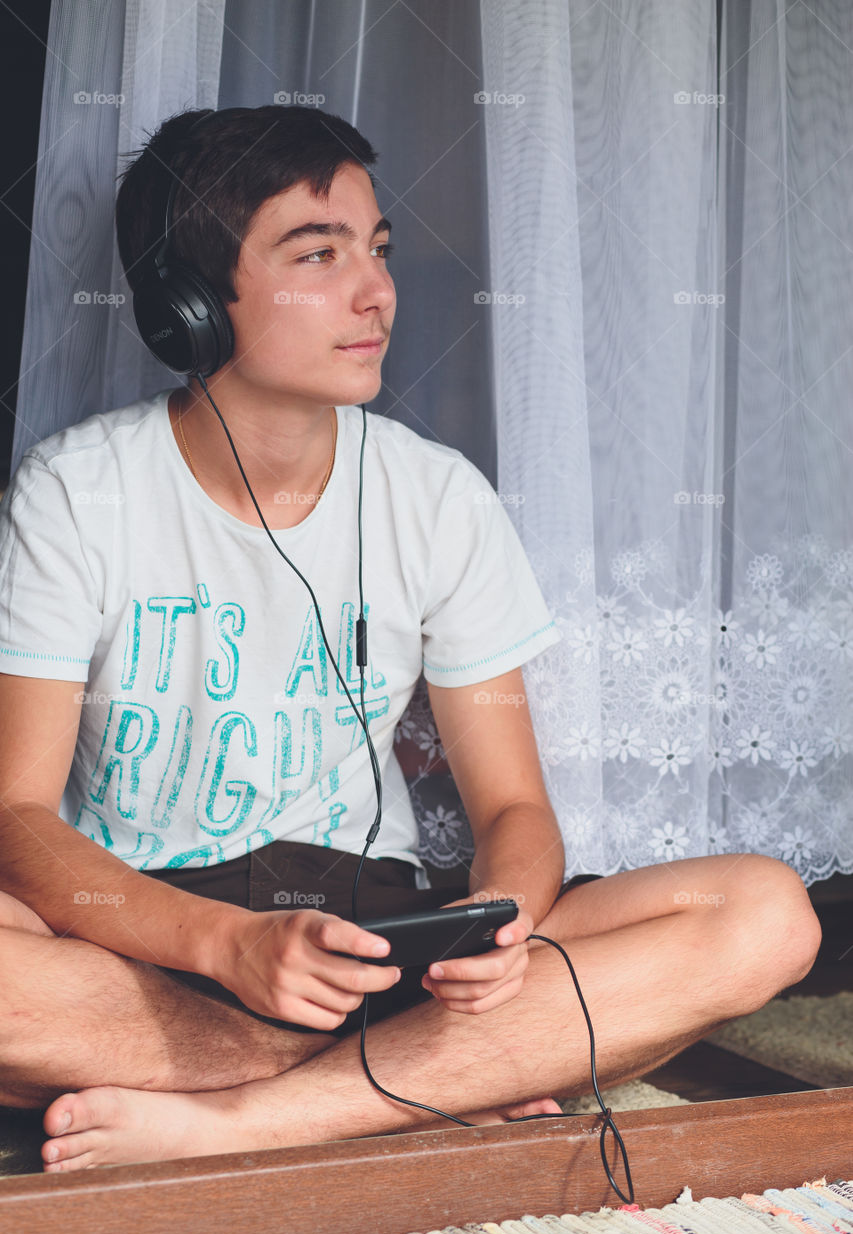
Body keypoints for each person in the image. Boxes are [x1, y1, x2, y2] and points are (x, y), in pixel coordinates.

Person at [0, 105, 821, 1174]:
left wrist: (503, 927)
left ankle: (253, 1117)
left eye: (377, 250)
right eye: (318, 253)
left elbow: (515, 808)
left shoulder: (439, 497)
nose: (375, 291)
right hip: (146, 934)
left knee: (765, 912)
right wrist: (226, 946)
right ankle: (422, 1080)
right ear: (195, 303)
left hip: (377, 928)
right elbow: (17, 814)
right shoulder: (76, 492)